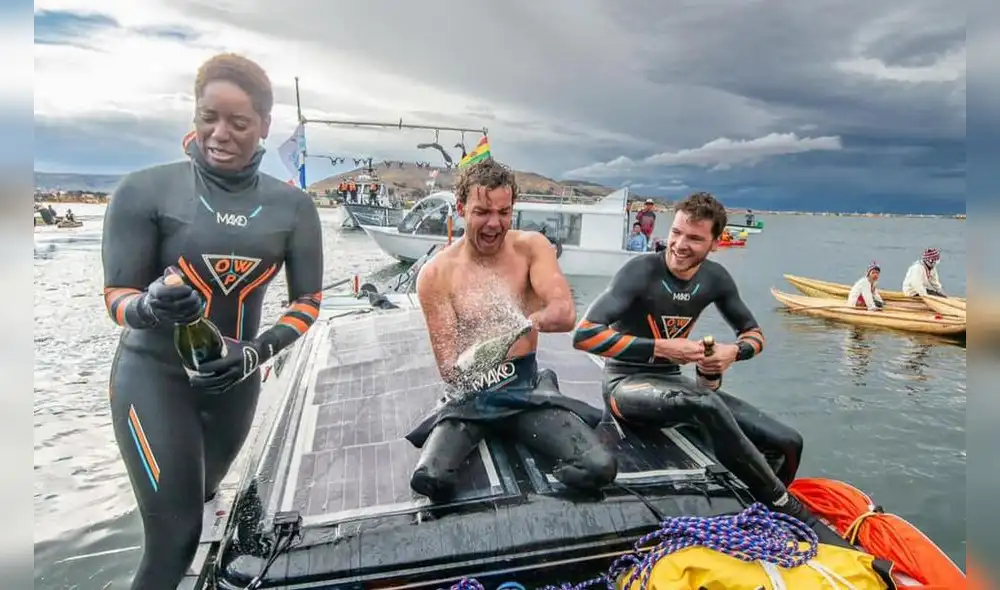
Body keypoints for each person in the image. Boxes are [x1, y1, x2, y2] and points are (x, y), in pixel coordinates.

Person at [101, 53, 324, 590]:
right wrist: (150, 306)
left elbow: (309, 302)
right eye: (209, 118)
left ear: (264, 127)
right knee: (175, 539)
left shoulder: (293, 208)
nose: (220, 134)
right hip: (152, 377)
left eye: (238, 123)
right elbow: (116, 297)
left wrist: (257, 351)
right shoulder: (144, 191)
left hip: (235, 382)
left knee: (205, 493)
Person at [572, 191, 847, 547]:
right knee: (704, 403)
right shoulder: (640, 271)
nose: (679, 245)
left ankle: (757, 511)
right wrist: (661, 347)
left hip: (673, 385)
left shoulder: (716, 279)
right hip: (626, 386)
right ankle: (790, 509)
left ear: (715, 243)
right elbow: (585, 335)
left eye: (694, 238)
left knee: (788, 442)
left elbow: (754, 335)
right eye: (676, 233)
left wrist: (733, 352)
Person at [405, 157, 617, 502]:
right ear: (461, 209)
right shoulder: (436, 274)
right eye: (482, 213)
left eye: (504, 213)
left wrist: (527, 323)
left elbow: (563, 314)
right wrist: (487, 357)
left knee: (599, 467)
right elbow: (449, 369)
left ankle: (543, 503)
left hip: (525, 390)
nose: (494, 224)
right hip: (472, 396)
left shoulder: (532, 247)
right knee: (430, 479)